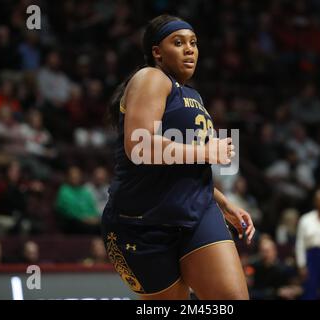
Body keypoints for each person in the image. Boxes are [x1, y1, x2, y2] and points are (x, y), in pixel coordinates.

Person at [101, 15, 255, 300]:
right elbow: (139, 145)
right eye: (178, 42)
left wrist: (223, 203)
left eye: (194, 43)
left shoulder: (194, 96)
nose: (189, 49)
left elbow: (184, 166)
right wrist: (208, 151)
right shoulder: (150, 77)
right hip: (140, 224)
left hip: (196, 215)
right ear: (157, 52)